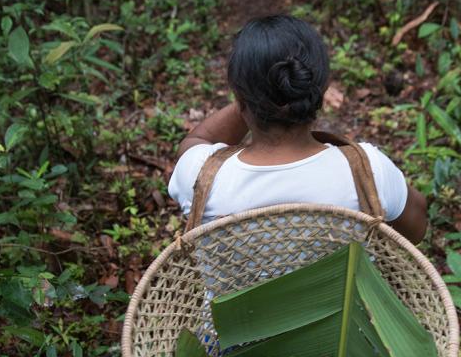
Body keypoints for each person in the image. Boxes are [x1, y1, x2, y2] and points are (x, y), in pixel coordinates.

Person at [168, 15, 428, 243]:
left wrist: (253, 95)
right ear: (322, 89)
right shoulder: (368, 171)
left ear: (239, 96)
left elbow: (197, 139)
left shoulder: (201, 175)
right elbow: (416, 229)